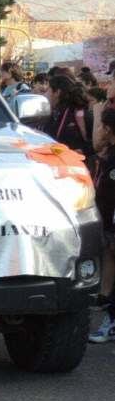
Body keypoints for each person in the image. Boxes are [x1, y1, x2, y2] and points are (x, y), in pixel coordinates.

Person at [89, 106, 115, 344]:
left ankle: (110, 322)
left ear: (108, 129)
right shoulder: (107, 156)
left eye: (100, 126)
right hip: (107, 222)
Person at [44, 74, 94, 159]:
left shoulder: (80, 114)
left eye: (48, 89)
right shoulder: (53, 113)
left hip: (76, 167)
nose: (45, 94)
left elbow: (98, 143)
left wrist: (82, 151)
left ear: (57, 92)